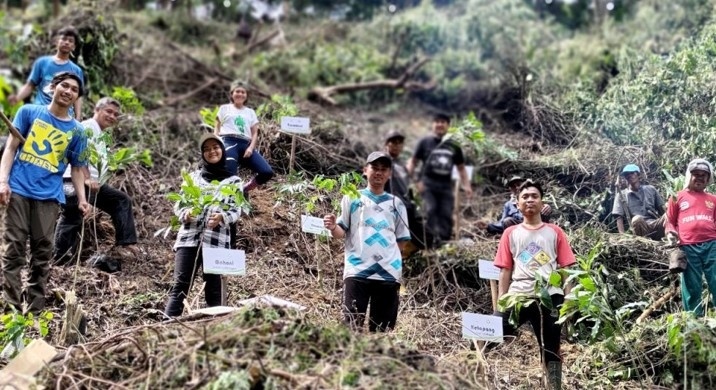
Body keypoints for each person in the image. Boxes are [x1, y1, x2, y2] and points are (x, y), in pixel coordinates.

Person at [0, 71, 89, 314]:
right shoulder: (28, 112)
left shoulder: (78, 131)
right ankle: (11, 309)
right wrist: (2, 182)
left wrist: (82, 199)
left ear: (76, 98)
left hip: (49, 197)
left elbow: (79, 169)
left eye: (74, 89)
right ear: (53, 87)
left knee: (42, 254)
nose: (68, 91)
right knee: (14, 249)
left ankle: (35, 309)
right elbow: (10, 148)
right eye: (64, 85)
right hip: (18, 189)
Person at [494, 180, 575, 390]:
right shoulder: (510, 233)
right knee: (489, 334)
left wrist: (568, 299)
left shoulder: (555, 232)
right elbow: (505, 269)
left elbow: (566, 268)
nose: (530, 199)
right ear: (518, 204)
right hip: (518, 295)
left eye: (534, 196)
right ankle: (475, 377)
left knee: (551, 349)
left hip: (550, 296)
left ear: (542, 203)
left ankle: (554, 386)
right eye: (525, 197)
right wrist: (502, 300)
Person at [323, 151, 410, 332]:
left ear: (389, 174)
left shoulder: (397, 204)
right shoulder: (352, 198)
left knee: (382, 331)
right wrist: (332, 227)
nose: (378, 173)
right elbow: (341, 232)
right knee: (351, 327)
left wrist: (390, 260)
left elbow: (401, 241)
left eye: (383, 169)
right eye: (375, 168)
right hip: (357, 270)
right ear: (365, 170)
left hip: (388, 274)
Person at [165, 133, 243, 317]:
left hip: (216, 242)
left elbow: (236, 210)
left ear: (222, 151)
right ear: (202, 154)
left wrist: (222, 217)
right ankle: (165, 326)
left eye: (215, 148)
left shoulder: (234, 182)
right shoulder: (192, 178)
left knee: (214, 289)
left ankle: (214, 330)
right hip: (189, 239)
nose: (211, 152)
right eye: (206, 149)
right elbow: (179, 204)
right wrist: (186, 213)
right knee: (181, 286)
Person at [53, 97, 139, 265]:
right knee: (71, 217)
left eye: (116, 114)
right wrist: (87, 177)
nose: (112, 116)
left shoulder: (102, 134)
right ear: (97, 110)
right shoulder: (86, 127)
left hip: (92, 184)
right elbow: (78, 154)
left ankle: (125, 244)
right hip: (75, 179)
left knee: (120, 200)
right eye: (108, 111)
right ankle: (60, 260)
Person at [407, 113, 472, 247]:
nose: (440, 124)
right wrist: (411, 180)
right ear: (433, 124)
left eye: (443, 122)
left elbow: (461, 167)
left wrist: (467, 185)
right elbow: (413, 161)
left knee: (446, 213)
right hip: (428, 184)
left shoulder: (453, 145)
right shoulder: (424, 142)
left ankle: (444, 242)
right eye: (437, 121)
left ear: (448, 126)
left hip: (446, 185)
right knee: (430, 210)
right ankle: (430, 242)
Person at [664, 158, 716, 316]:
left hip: (712, 245)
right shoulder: (677, 197)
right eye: (696, 174)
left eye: (703, 175)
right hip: (688, 246)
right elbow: (669, 222)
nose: (699, 178)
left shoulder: (713, 199)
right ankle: (694, 321)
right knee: (692, 286)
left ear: (708, 179)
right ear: (689, 176)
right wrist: (670, 233)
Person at [9, 26, 84, 120]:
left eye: (70, 41)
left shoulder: (76, 70)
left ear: (73, 46)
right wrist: (16, 99)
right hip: (40, 111)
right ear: (56, 41)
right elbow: (30, 85)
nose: (67, 42)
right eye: (64, 39)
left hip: (63, 116)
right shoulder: (42, 62)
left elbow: (77, 97)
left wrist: (77, 117)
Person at [214, 81, 273, 195]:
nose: (240, 94)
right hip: (228, 142)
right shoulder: (224, 108)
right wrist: (217, 141)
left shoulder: (250, 112)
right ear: (232, 94)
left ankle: (244, 189)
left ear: (246, 95)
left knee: (267, 172)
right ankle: (227, 201)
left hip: (245, 145)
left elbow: (255, 133)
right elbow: (216, 126)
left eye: (243, 92)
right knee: (230, 176)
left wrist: (251, 148)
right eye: (237, 91)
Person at [384, 130, 424, 251]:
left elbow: (408, 188)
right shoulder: (383, 162)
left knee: (422, 234)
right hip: (393, 208)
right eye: (393, 142)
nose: (397, 145)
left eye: (399, 143)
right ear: (387, 144)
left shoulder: (401, 165)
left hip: (407, 207)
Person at [478, 175, 552, 235]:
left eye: (518, 184)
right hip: (519, 230)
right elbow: (502, 223)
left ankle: (543, 236)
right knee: (507, 221)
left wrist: (547, 207)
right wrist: (488, 226)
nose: (516, 187)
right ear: (510, 189)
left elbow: (541, 205)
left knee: (544, 211)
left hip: (536, 226)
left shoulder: (531, 196)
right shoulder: (508, 205)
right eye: (513, 186)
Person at [612, 164, 666, 240]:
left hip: (655, 225)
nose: (630, 176)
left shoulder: (651, 189)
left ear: (638, 174)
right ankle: (645, 241)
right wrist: (622, 237)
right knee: (637, 219)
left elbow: (662, 209)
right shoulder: (621, 195)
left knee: (669, 214)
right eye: (627, 174)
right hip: (639, 229)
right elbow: (618, 217)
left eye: (632, 173)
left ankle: (672, 237)